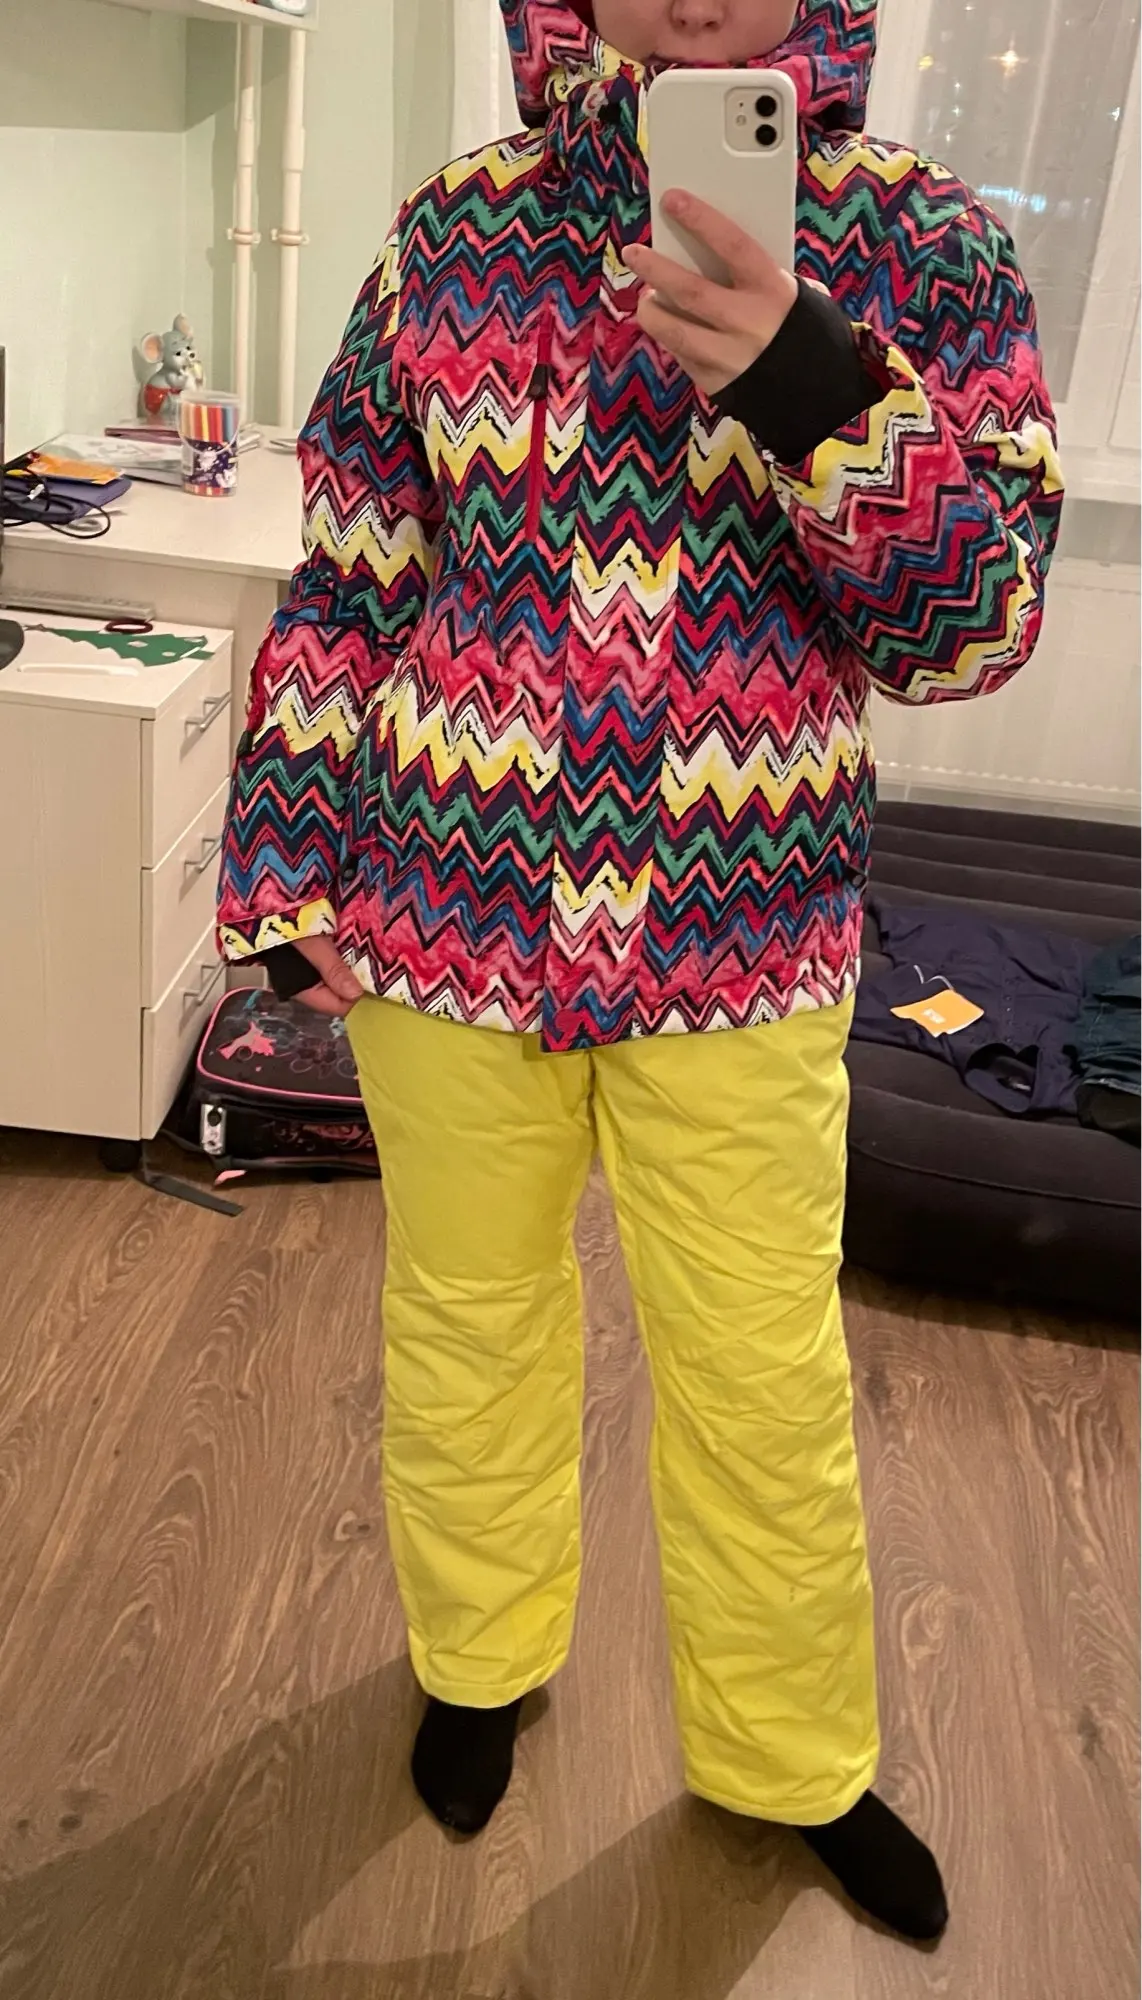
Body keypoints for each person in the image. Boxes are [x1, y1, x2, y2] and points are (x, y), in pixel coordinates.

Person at [217, 0, 1062, 1944]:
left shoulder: (924, 244)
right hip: (446, 923)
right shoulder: (455, 234)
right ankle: (477, 1660)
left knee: (760, 1377)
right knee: (466, 1326)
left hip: (740, 944)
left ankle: (792, 1760)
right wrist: (282, 854)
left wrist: (811, 384)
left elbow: (972, 632)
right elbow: (351, 578)